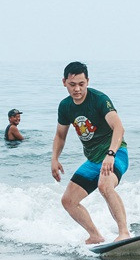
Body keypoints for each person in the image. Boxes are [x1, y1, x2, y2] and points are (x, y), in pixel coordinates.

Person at [51, 61, 130, 244]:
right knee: (68, 201)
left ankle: (124, 233)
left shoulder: (99, 99)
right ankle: (95, 236)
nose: (77, 89)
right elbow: (60, 135)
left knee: (105, 185)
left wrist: (110, 154)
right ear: (64, 82)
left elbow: (118, 127)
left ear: (87, 81)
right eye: (72, 84)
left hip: (116, 153)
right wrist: (54, 158)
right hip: (94, 160)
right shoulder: (65, 106)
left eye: (81, 84)